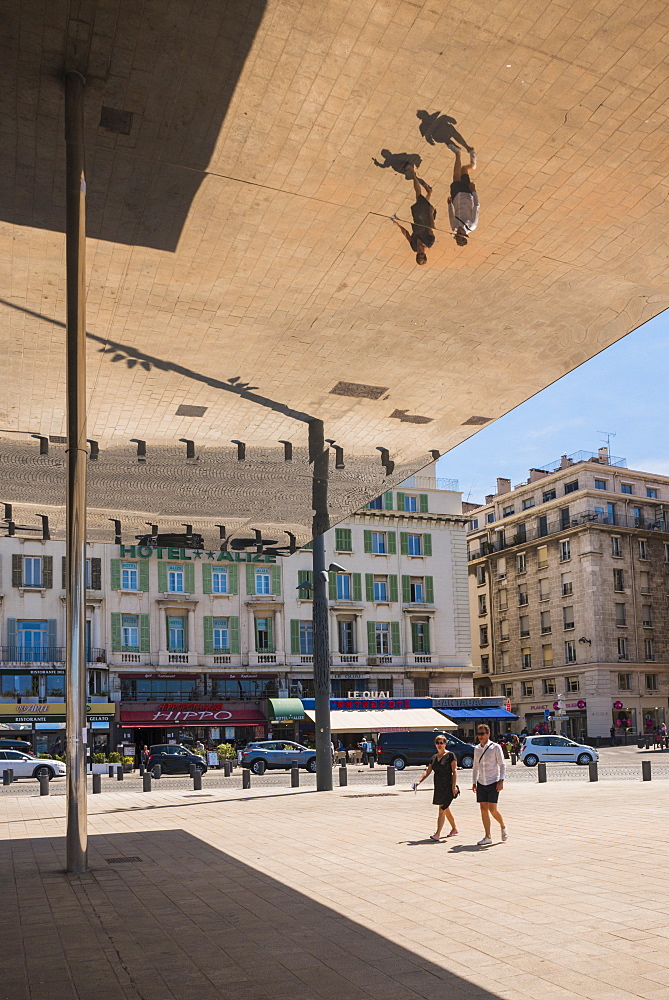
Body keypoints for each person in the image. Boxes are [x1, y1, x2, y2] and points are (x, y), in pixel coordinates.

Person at [415, 734, 459, 840]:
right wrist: (419, 781)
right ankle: (454, 829)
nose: (440, 745)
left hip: (448, 785)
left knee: (442, 809)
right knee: (445, 808)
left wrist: (453, 786)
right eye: (438, 743)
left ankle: (437, 834)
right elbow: (428, 771)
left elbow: (454, 771)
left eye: (442, 743)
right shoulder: (434, 757)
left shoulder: (451, 755)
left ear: (445, 744)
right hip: (439, 786)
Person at [391, 164, 436, 265]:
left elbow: (406, 234)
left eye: (419, 254)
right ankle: (412, 172)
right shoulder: (429, 242)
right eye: (422, 254)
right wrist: (430, 212)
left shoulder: (414, 247)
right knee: (418, 196)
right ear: (425, 255)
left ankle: (429, 192)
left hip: (417, 219)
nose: (420, 251)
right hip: (425, 218)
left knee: (420, 201)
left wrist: (398, 224)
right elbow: (431, 227)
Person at [472, 724, 507, 846]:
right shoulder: (476, 749)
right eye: (478, 734)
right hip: (481, 782)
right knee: (483, 809)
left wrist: (501, 780)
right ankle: (488, 836)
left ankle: (503, 826)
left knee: (493, 809)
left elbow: (502, 765)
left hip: (493, 782)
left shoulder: (495, 747)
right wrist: (474, 782)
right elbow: (475, 766)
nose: (480, 736)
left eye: (482, 734)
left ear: (488, 734)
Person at [446, 141, 478, 246]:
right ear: (465, 234)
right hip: (466, 194)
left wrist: (449, 204)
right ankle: (473, 165)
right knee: (464, 169)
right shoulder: (472, 225)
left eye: (457, 236)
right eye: (460, 235)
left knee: (455, 176)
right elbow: (476, 207)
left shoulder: (454, 227)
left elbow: (451, 216)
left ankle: (458, 153)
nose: (458, 232)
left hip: (456, 198)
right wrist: (473, 191)